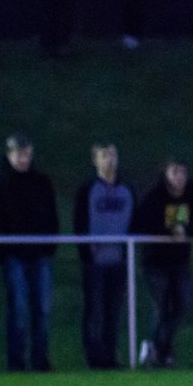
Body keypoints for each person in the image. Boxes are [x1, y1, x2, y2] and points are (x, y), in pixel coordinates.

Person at [0, 133, 60, 372]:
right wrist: (2, 252)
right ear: (9, 155)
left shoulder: (41, 182)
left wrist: (49, 247)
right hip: (14, 256)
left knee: (43, 309)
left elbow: (52, 216)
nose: (23, 159)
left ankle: (41, 360)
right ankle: (16, 362)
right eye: (18, 154)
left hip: (40, 255)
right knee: (18, 310)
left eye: (26, 154)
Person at [73, 142, 135, 369]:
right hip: (95, 261)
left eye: (112, 155)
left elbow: (133, 222)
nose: (109, 160)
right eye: (104, 156)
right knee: (95, 310)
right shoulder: (88, 189)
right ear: (95, 160)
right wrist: (86, 253)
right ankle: (94, 358)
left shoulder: (126, 190)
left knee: (114, 310)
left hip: (118, 260)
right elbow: (79, 223)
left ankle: (110, 356)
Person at [130, 159, 191, 367]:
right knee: (162, 305)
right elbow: (141, 225)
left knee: (183, 304)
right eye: (175, 172)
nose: (179, 177)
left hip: (179, 262)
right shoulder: (154, 198)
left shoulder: (190, 196)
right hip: (156, 262)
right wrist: (169, 231)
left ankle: (157, 346)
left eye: (182, 172)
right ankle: (160, 352)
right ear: (166, 174)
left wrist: (186, 231)